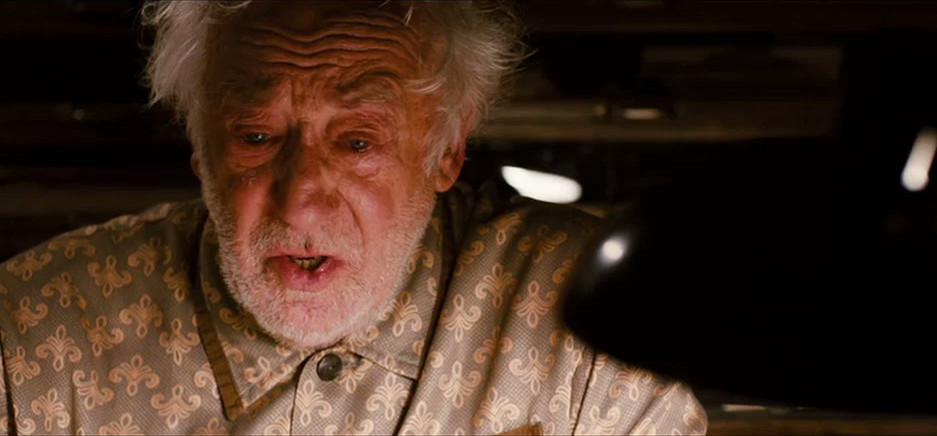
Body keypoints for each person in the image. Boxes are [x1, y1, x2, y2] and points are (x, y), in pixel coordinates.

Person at [0, 1, 706, 434]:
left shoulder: (597, 331)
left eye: (358, 143)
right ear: (201, 147)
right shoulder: (31, 334)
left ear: (446, 151)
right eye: (257, 136)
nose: (301, 199)